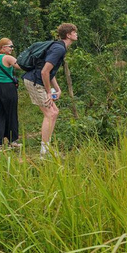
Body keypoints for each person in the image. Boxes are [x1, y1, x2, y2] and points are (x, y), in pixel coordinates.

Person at [22, 23, 78, 157]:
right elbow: (44, 72)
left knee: (55, 112)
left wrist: (57, 89)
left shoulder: (59, 47)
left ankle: (47, 148)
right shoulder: (59, 49)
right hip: (34, 81)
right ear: (68, 35)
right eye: (74, 32)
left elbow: (50, 72)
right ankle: (44, 152)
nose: (76, 34)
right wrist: (49, 92)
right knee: (50, 114)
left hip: (38, 81)